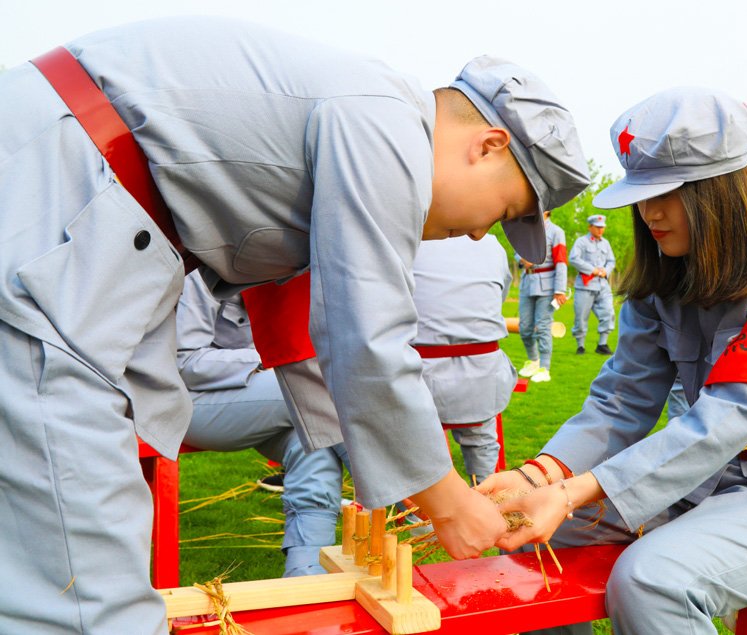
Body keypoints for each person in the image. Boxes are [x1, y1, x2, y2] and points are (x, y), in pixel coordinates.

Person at [0, 18, 589, 633]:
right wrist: (447, 500)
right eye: (507, 209)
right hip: (56, 207)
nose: (478, 233)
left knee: (76, 505)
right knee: (86, 582)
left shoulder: (365, 113)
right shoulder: (386, 124)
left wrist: (418, 482)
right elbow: (366, 332)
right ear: (488, 146)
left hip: (88, 214)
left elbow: (306, 336)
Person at [478, 87, 747, 635]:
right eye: (641, 193)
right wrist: (537, 476)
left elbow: (729, 417)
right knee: (550, 536)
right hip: (711, 480)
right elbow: (622, 397)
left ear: (723, 191)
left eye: (668, 192)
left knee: (652, 580)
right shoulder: (669, 265)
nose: (648, 212)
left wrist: (567, 493)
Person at [176, 271, 348, 577]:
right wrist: (271, 357)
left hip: (252, 394)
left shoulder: (289, 271)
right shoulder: (199, 276)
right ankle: (402, 491)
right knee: (312, 389)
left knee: (310, 441)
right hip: (186, 401)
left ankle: (306, 573)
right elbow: (183, 361)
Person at [411, 235, 518, 486]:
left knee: (417, 450)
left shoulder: (410, 239)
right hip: (483, 373)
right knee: (481, 443)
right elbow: (498, 298)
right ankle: (488, 502)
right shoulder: (492, 245)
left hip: (423, 374)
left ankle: (420, 519)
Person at [516, 210, 568, 383]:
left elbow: (561, 261)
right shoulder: (525, 230)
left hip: (547, 285)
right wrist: (524, 260)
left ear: (546, 211)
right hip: (527, 282)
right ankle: (533, 361)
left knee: (543, 327)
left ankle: (545, 368)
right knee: (524, 327)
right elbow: (517, 254)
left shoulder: (556, 232)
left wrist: (560, 289)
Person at [569, 214, 616, 355]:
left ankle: (602, 344)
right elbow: (573, 259)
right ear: (590, 227)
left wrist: (605, 271)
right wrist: (592, 270)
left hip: (602, 285)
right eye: (598, 227)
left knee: (608, 312)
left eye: (602, 228)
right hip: (585, 286)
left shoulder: (605, 243)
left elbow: (611, 261)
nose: (601, 230)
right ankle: (580, 346)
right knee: (581, 317)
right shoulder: (581, 242)